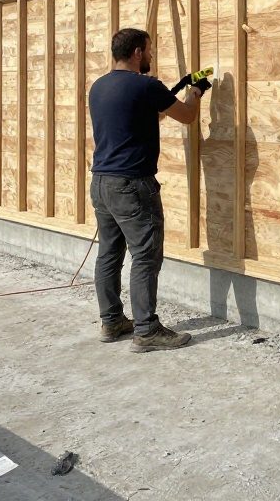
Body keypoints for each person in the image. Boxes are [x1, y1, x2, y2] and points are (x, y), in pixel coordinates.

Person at [89, 28, 208, 352]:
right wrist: (194, 92)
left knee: (109, 253)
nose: (152, 56)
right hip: (132, 185)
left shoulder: (99, 87)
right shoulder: (146, 85)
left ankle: (112, 321)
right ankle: (147, 330)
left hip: (101, 183)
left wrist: (173, 93)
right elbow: (187, 117)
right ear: (138, 52)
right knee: (145, 256)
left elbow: (139, 118)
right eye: (150, 50)